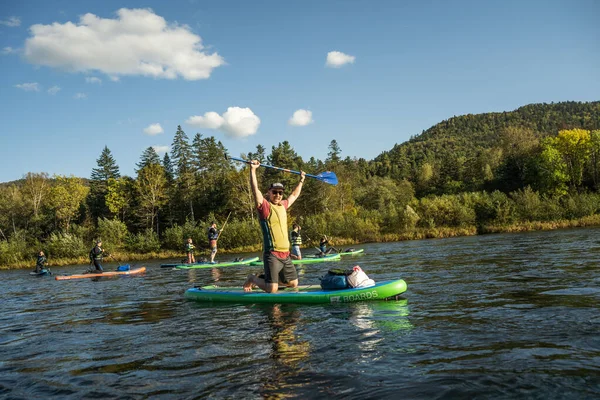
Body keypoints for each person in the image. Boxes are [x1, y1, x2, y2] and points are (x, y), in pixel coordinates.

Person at [243, 160, 306, 293]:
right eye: (274, 192)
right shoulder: (265, 207)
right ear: (269, 193)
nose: (277, 195)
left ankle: (267, 278)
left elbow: (294, 195)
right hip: (272, 254)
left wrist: (301, 180)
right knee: (272, 289)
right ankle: (253, 278)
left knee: (294, 284)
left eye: (280, 193)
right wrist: (253, 170)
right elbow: (255, 191)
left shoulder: (283, 205)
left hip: (286, 254)